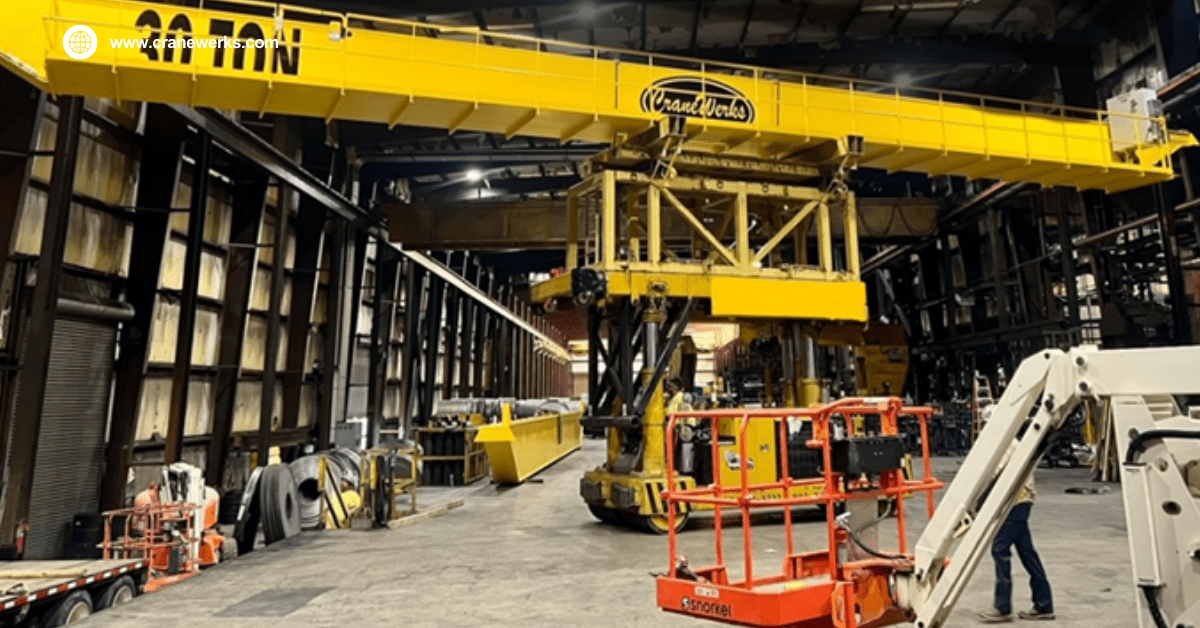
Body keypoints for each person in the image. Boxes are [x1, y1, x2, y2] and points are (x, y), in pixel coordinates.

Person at [978, 442, 1055, 623]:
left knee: (999, 549)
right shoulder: (1013, 443)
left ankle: (1002, 606)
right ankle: (1044, 604)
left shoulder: (1007, 444)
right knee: (1028, 553)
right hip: (1020, 502)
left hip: (1016, 503)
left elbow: (1001, 476)